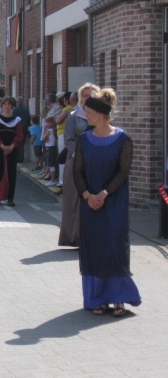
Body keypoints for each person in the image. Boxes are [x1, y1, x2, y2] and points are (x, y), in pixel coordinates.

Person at [74, 88, 141, 317]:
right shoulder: (84, 139)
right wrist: (87, 196)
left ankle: (119, 298)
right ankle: (98, 299)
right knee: (94, 249)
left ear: (102, 113)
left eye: (89, 111)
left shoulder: (123, 139)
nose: (86, 115)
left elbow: (123, 172)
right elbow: (78, 172)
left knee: (114, 248)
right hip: (90, 204)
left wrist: (102, 194)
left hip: (114, 204)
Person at [58, 84, 100, 248]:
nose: (87, 98)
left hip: (96, 163)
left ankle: (94, 238)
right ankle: (75, 237)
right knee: (75, 199)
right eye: (85, 95)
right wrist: (81, 157)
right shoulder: (74, 116)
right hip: (76, 162)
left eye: (90, 95)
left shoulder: (101, 116)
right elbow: (68, 139)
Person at [0, 96, 24, 207]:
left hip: (12, 150)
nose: (7, 107)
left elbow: (19, 136)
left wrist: (11, 147)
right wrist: (2, 147)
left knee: (12, 174)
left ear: (12, 106)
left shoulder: (17, 120)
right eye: (5, 104)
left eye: (9, 105)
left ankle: (10, 198)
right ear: (2, 106)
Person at [54, 93, 73, 186]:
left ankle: (62, 180)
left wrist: (56, 118)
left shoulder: (68, 109)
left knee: (62, 156)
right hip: (62, 134)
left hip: (63, 134)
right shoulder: (68, 109)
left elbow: (57, 120)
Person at [12, 97, 31, 162]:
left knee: (16, 142)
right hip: (24, 128)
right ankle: (21, 157)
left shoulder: (15, 110)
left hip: (16, 128)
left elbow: (13, 119)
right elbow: (29, 118)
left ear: (17, 102)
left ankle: (17, 157)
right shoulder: (26, 110)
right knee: (22, 143)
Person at [41, 116, 58, 187]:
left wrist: (45, 129)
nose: (46, 124)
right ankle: (53, 179)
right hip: (52, 148)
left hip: (49, 148)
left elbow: (43, 138)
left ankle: (52, 180)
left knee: (51, 165)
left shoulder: (49, 130)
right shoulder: (53, 130)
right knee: (51, 164)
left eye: (47, 123)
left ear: (51, 123)